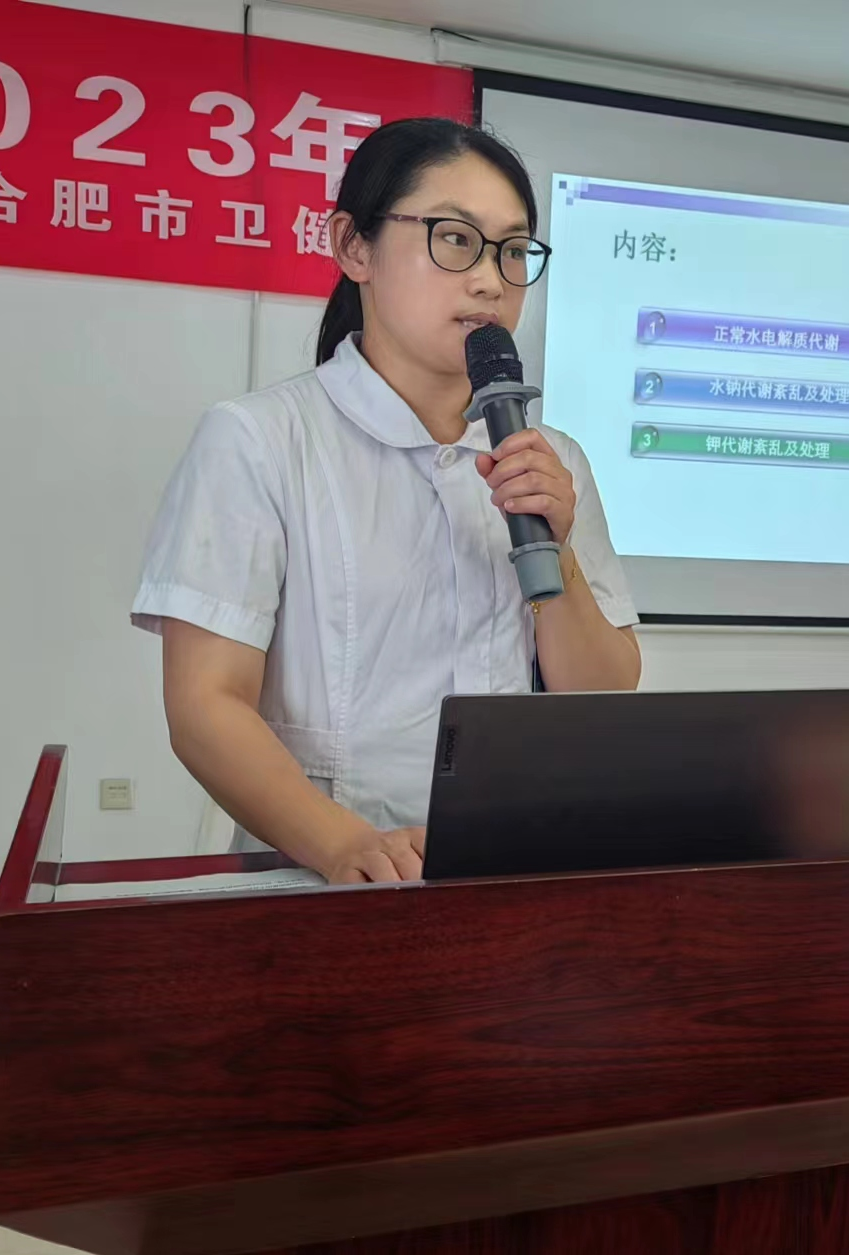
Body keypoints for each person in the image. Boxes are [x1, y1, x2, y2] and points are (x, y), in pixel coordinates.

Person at [131, 118, 641, 885]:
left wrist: (557, 549)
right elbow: (206, 706)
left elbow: (601, 697)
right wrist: (344, 845)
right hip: (323, 878)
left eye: (511, 250)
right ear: (353, 247)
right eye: (455, 239)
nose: (490, 280)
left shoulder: (551, 460)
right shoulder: (258, 439)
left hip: (512, 865)